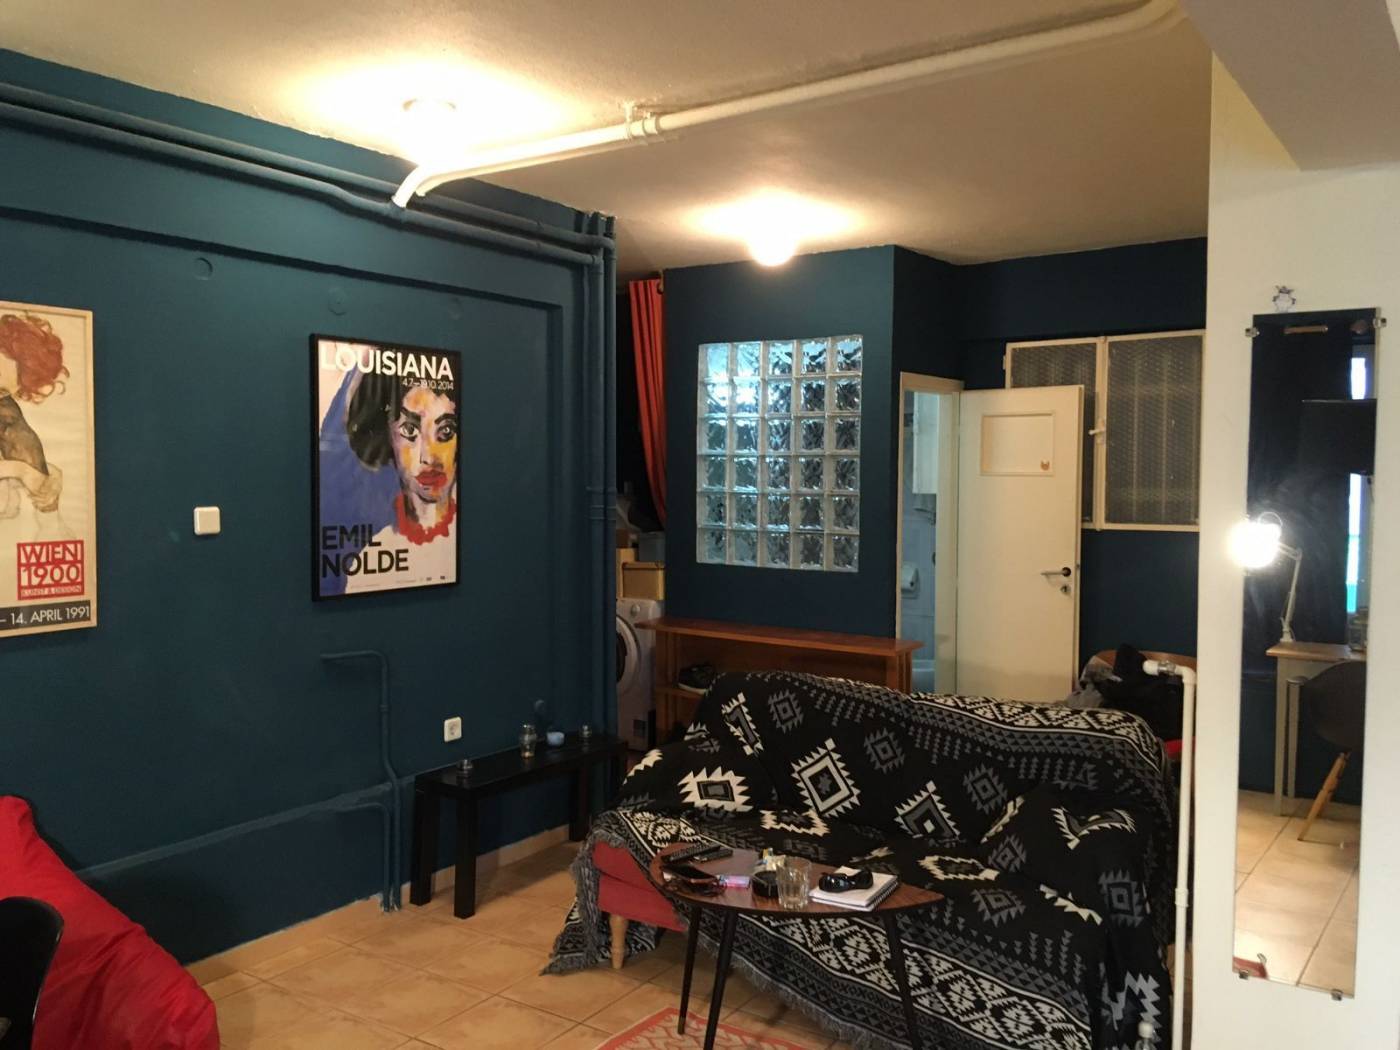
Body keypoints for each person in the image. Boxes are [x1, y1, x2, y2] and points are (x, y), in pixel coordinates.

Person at [342, 369, 458, 592]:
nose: (428, 457)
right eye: (409, 430)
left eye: (445, 430)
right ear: (387, 436)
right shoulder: (373, 558)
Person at [0, 313, 67, 525]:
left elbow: (21, 450)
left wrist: (47, 476)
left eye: (2, 391)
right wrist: (20, 470)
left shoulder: (5, 410)